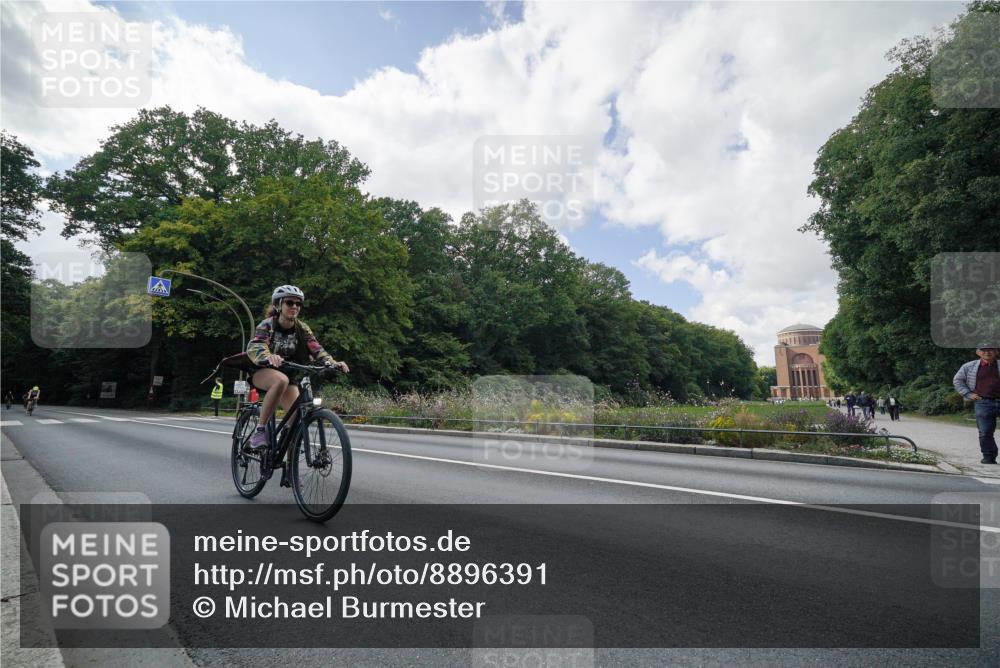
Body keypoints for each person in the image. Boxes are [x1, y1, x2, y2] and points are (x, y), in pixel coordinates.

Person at [246, 285, 349, 460]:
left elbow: (316, 348)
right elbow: (257, 344)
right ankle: (260, 430)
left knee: (295, 422)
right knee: (280, 380)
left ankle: (289, 471)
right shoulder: (267, 325)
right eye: (289, 302)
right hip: (263, 371)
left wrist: (332, 362)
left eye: (298, 304)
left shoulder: (302, 328)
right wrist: (269, 356)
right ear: (279, 305)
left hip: (289, 376)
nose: (294, 306)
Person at [953, 345, 1000, 465]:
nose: (987, 353)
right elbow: (958, 380)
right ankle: (989, 456)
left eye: (990, 350)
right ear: (978, 353)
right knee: (985, 432)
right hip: (983, 402)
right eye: (984, 350)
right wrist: (968, 394)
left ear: (996, 352)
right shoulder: (969, 366)